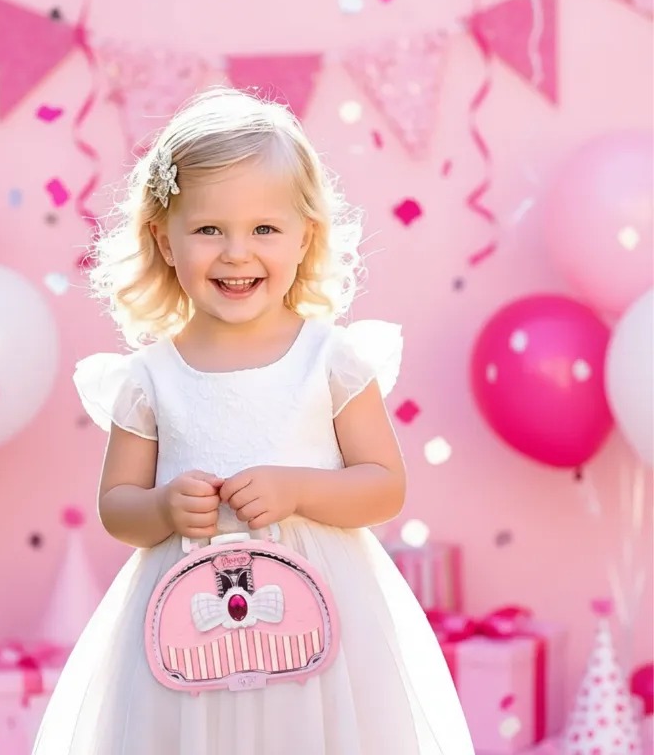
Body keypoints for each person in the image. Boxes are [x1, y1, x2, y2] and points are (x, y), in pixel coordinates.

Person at [33, 87, 474, 754]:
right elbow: (118, 507)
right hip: (187, 622)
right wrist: (163, 506)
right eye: (209, 230)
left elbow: (384, 486)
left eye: (264, 230)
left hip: (325, 617)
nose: (237, 253)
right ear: (164, 240)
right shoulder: (150, 378)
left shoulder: (330, 360)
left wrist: (298, 489)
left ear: (305, 237)